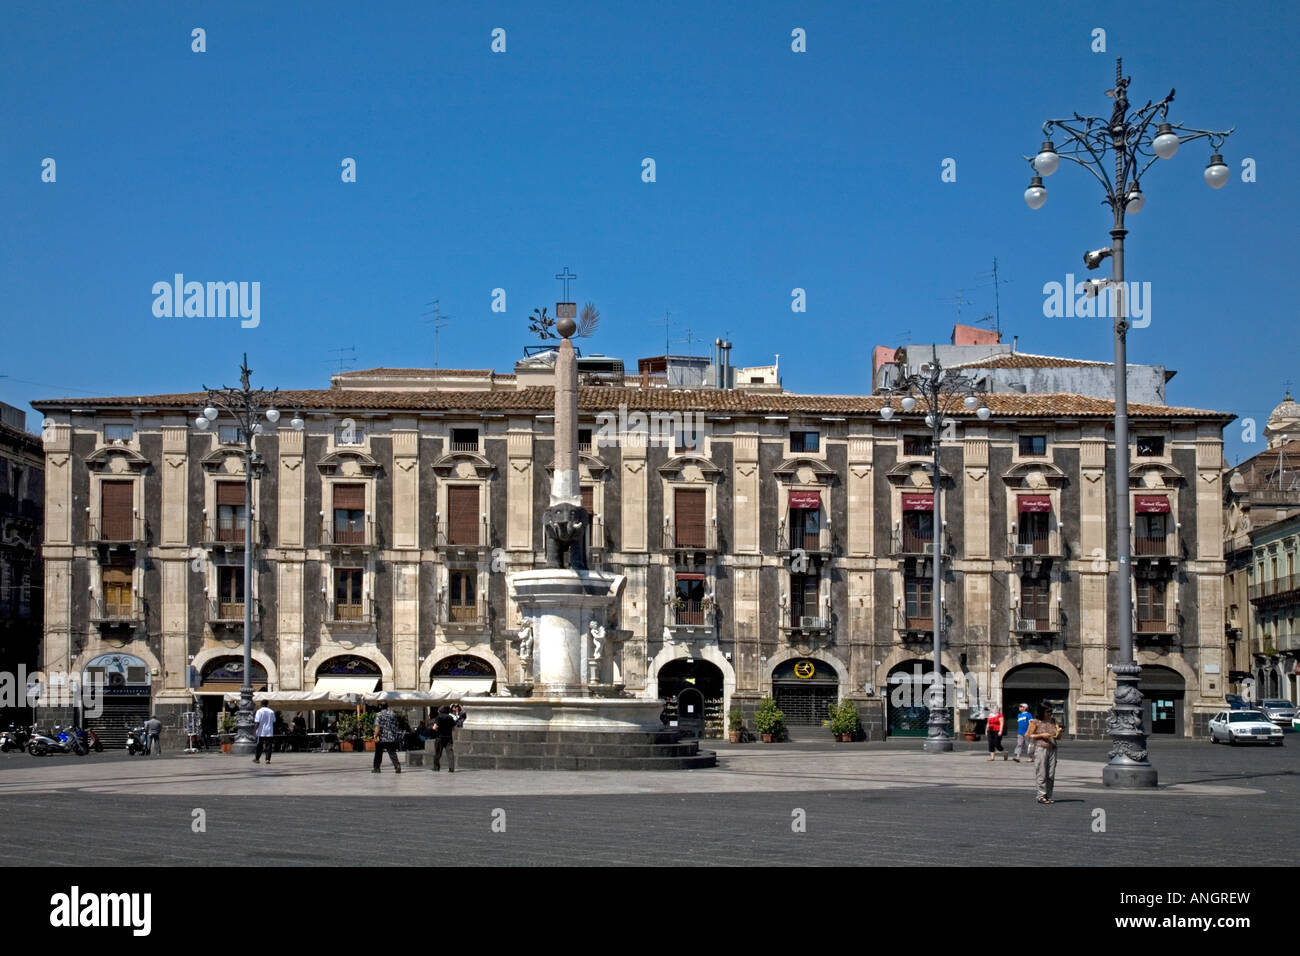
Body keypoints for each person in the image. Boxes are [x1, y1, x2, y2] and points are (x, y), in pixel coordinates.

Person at [1027, 702, 1063, 804]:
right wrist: (1041, 735)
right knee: (1041, 772)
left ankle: (1048, 795)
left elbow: (1058, 737)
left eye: (1051, 711)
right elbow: (1029, 735)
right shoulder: (1035, 722)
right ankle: (1041, 795)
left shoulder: (1053, 721)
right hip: (1040, 748)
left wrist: (1059, 732)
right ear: (1042, 711)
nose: (1050, 714)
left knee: (1051, 774)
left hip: (1053, 748)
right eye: (1048, 711)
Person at [371, 702, 402, 773]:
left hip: (382, 738)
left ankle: (377, 768)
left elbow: (377, 726)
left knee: (378, 753)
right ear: (387, 706)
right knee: (392, 753)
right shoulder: (393, 714)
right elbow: (396, 725)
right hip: (391, 737)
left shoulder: (379, 715)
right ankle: (397, 766)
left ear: (380, 707)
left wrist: (375, 735)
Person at [433, 705, 457, 772]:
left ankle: (436, 767)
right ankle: (451, 768)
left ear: (440, 711)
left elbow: (434, 727)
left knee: (438, 753)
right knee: (450, 753)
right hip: (449, 737)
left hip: (440, 737)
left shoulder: (439, 717)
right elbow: (454, 729)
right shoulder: (450, 717)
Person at [253, 699, 276, 764]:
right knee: (269, 745)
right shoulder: (271, 711)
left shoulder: (259, 711)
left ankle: (257, 758)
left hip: (261, 731)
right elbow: (274, 721)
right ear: (267, 704)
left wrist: (255, 730)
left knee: (259, 745)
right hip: (269, 731)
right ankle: (267, 759)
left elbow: (257, 722)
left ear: (261, 704)